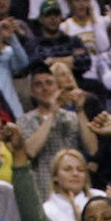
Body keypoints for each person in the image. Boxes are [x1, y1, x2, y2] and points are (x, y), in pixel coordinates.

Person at [16, 61, 98, 201]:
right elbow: (30, 151)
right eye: (38, 85)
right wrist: (52, 114)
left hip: (76, 189)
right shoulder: (24, 120)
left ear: (57, 87)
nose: (45, 88)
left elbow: (92, 149)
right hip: (43, 190)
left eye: (49, 83)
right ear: (32, 92)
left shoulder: (72, 117)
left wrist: (80, 110)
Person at [43, 147, 105, 221]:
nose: (75, 174)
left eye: (80, 170)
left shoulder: (100, 197)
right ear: (55, 176)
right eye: (68, 169)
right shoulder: (47, 211)